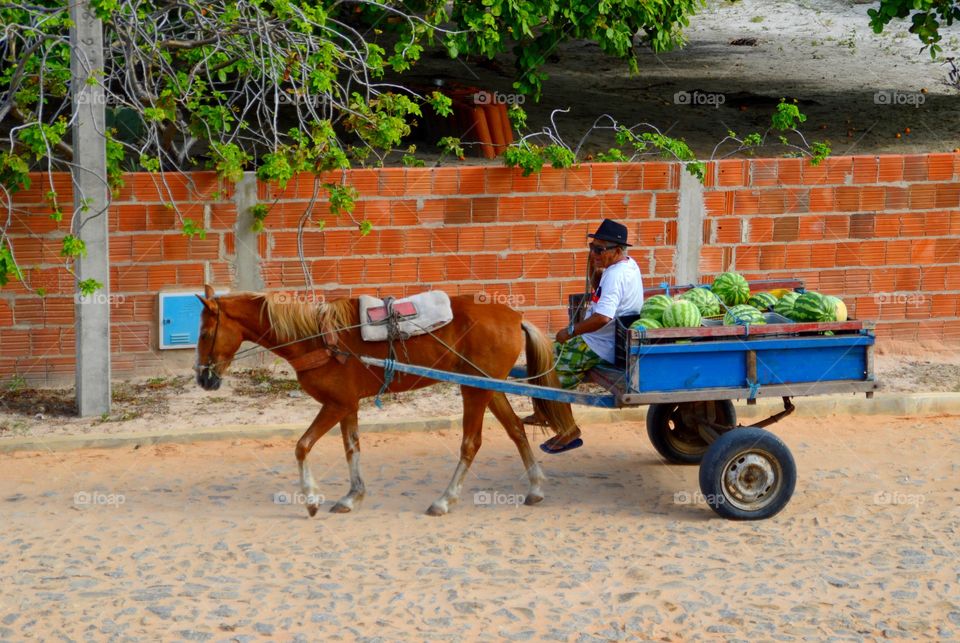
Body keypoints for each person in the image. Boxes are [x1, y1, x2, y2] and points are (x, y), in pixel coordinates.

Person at [532, 218, 645, 454]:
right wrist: (596, 273)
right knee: (544, 354)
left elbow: (603, 317)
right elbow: (603, 297)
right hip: (606, 338)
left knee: (552, 372)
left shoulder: (615, 275)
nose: (593, 253)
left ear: (616, 251)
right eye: (592, 248)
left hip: (600, 343)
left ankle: (568, 430)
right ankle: (544, 411)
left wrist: (571, 331)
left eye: (599, 249)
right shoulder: (626, 265)